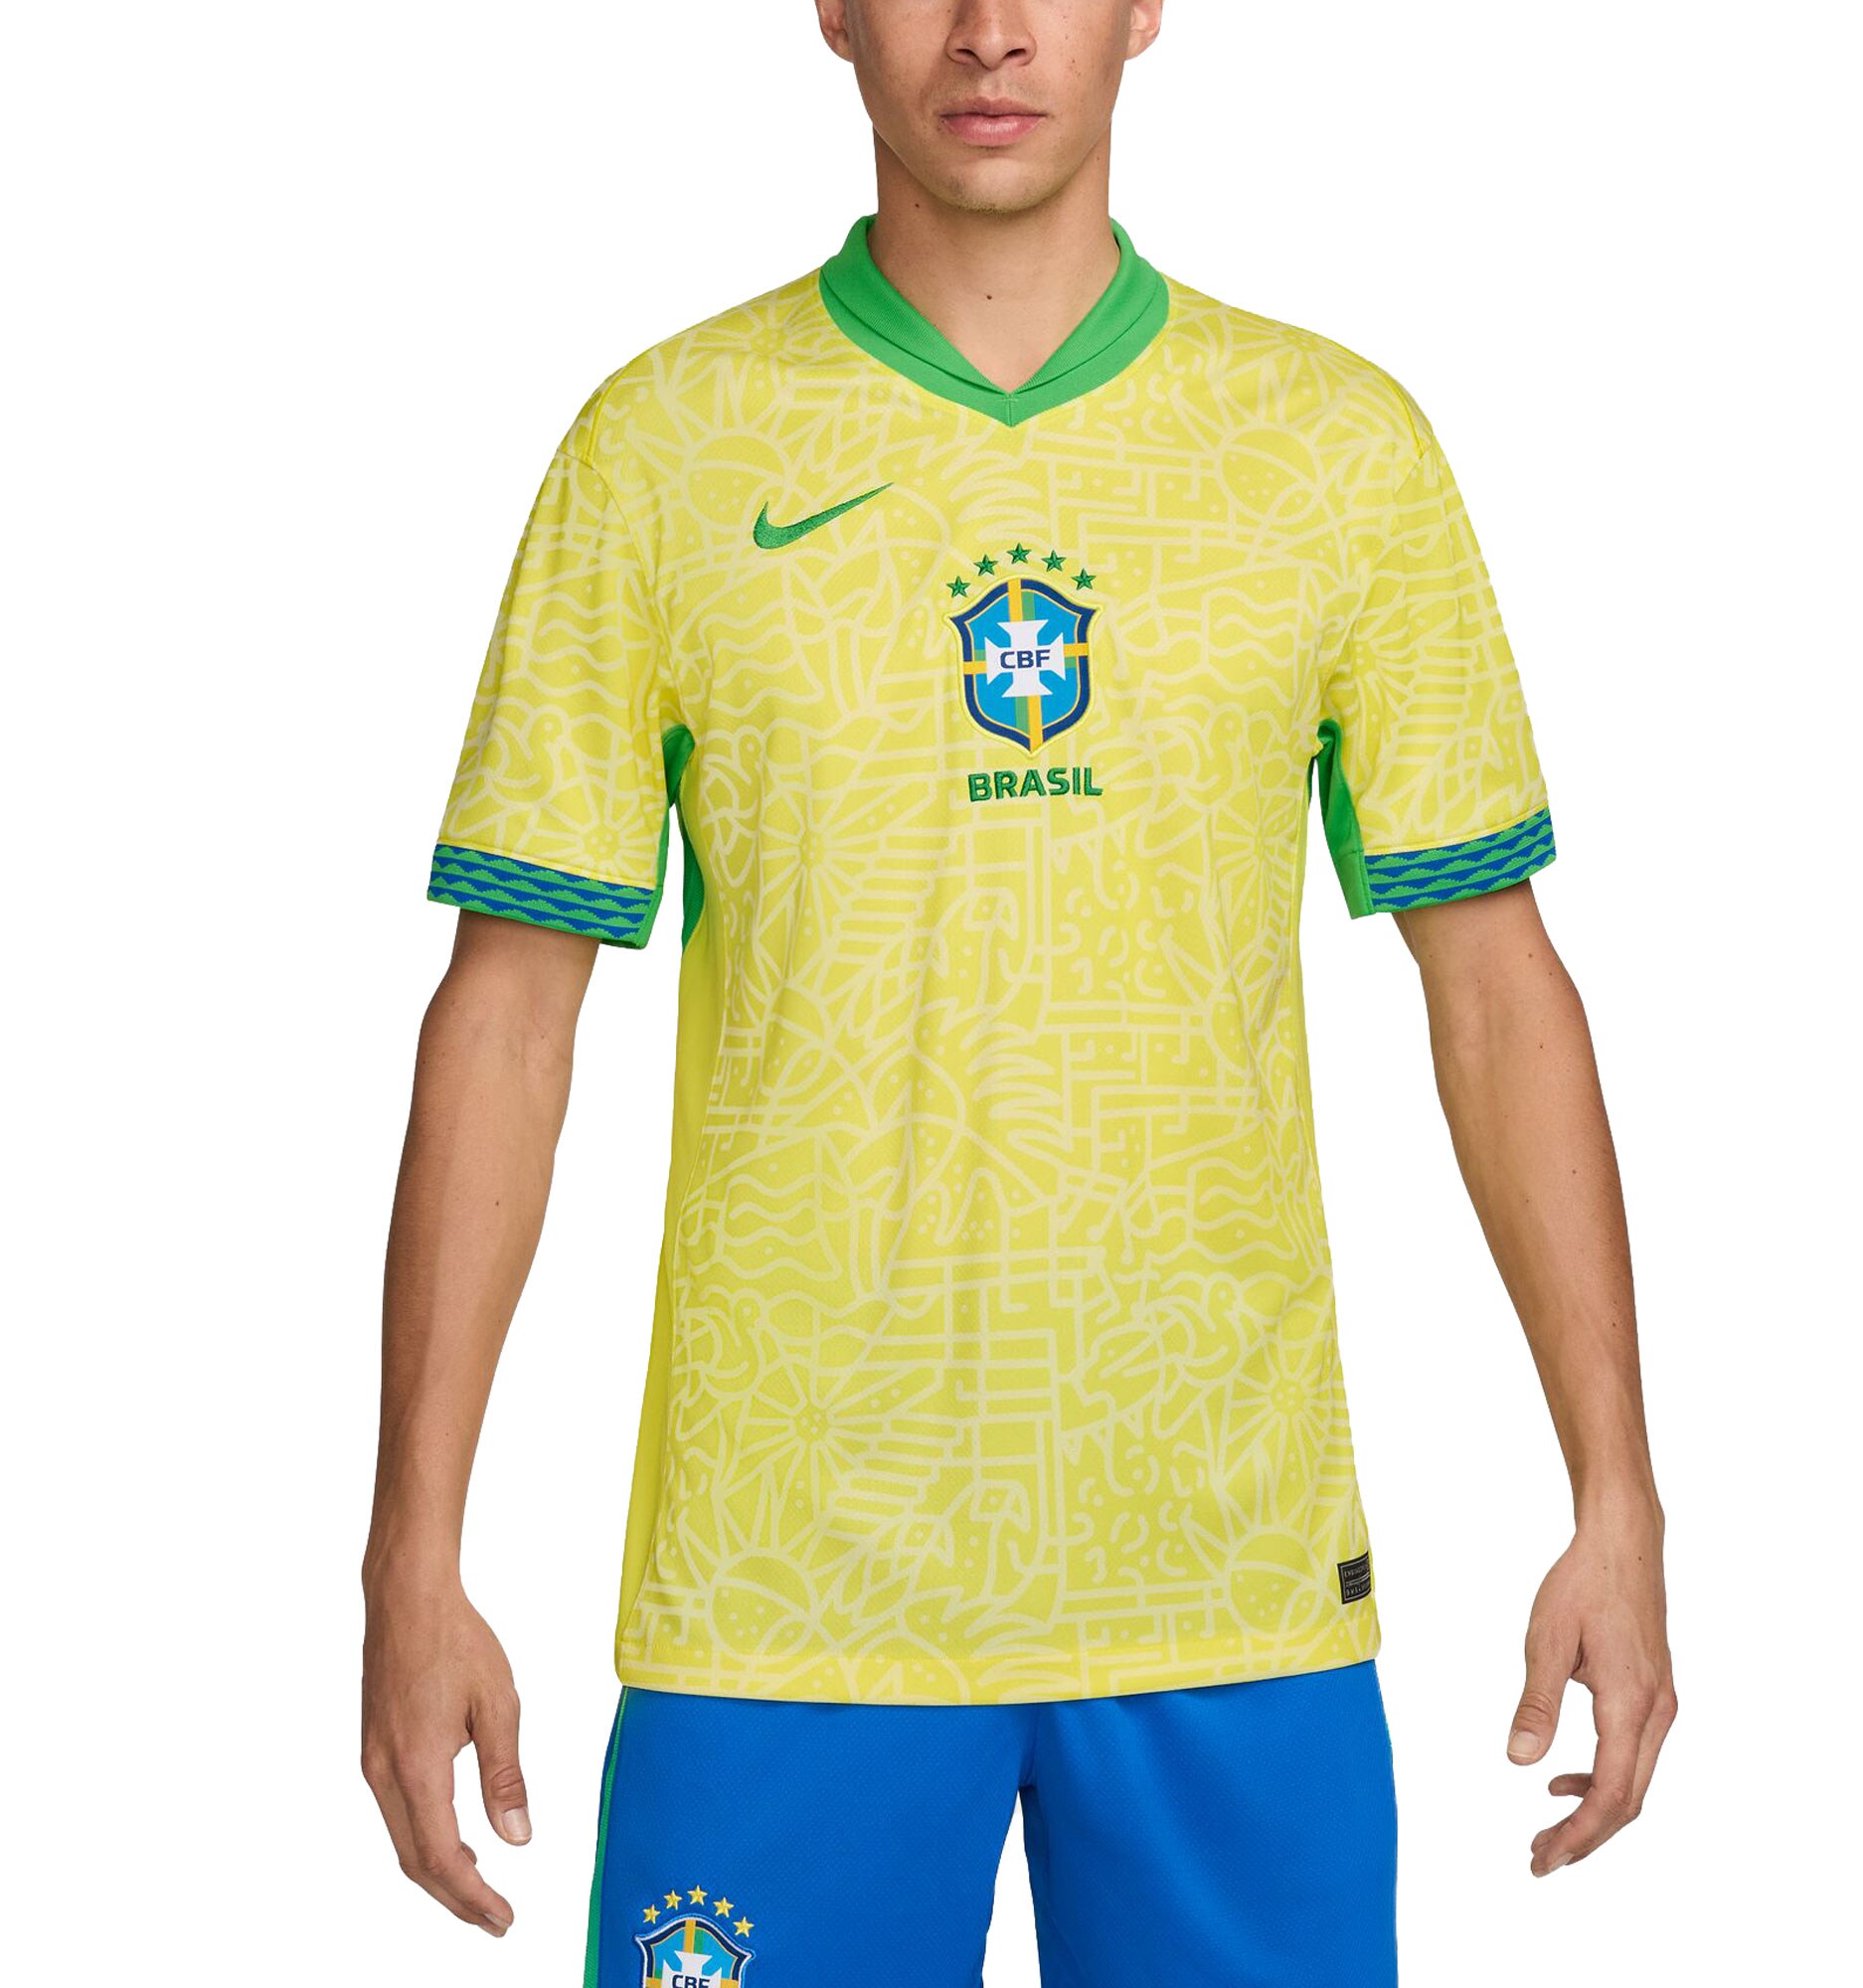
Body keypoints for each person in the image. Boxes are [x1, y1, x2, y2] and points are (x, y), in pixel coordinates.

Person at [361, 3, 1676, 1981]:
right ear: (830, 8)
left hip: (1227, 1581)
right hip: (782, 1593)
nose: (989, 29)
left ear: (1147, 8)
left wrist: (1617, 1496)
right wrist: (411, 1549)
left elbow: (1493, 985)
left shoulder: (1332, 449)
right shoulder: (662, 448)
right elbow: (508, 1015)